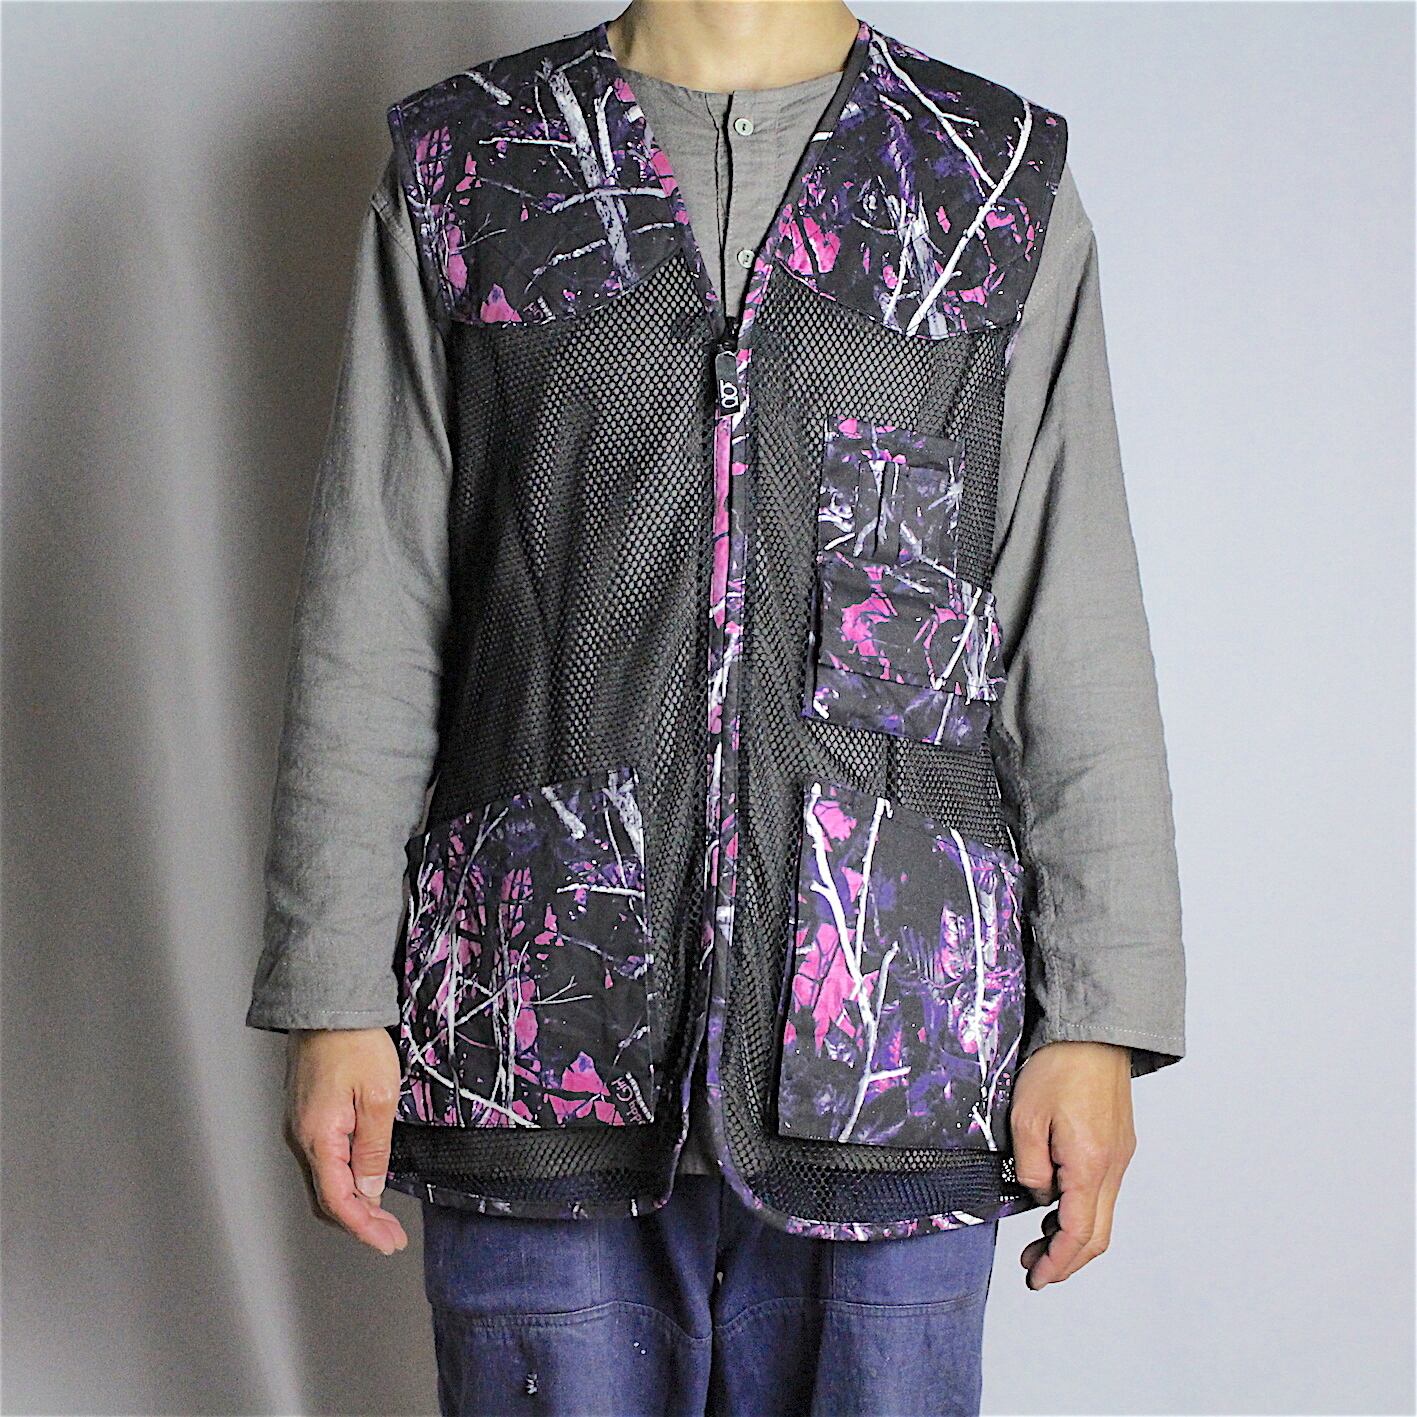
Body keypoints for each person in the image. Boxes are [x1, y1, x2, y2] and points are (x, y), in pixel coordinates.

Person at [246, 2, 1187, 1412]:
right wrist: (333, 994)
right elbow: (374, 605)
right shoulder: (472, 164)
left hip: (894, 1040)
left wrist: (1097, 1018)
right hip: (537, 1029)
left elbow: (1074, 616)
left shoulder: (984, 175)